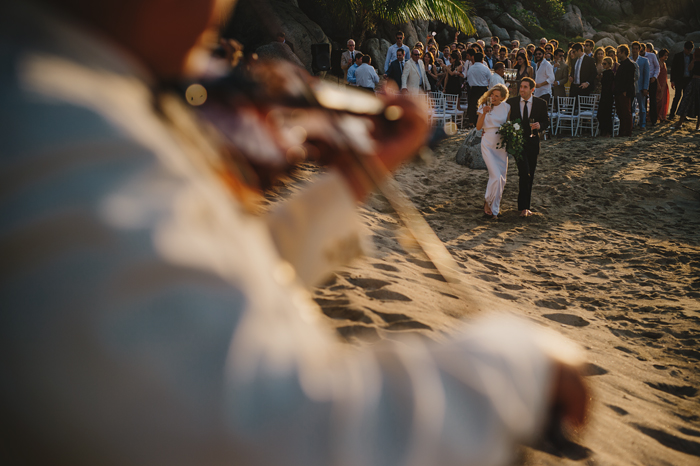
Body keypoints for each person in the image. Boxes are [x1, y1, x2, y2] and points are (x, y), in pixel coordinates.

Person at [3, 2, 591, 466]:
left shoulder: (84, 102)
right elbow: (282, 436)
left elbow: (219, 273)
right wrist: (517, 365)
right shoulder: (59, 130)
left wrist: (359, 172)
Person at [507, 78, 549, 218]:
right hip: (518, 144)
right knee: (524, 172)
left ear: (532, 89)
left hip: (533, 143)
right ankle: (523, 207)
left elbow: (546, 121)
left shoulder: (540, 103)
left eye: (525, 87)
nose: (522, 89)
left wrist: (540, 126)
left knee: (530, 174)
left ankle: (526, 206)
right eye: (521, 87)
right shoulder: (511, 103)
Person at [476, 84, 511, 219]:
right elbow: (479, 127)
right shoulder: (483, 106)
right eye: (492, 94)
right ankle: (487, 201)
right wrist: (484, 112)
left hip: (501, 145)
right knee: (495, 175)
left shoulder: (506, 107)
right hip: (488, 143)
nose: (493, 97)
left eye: (497, 96)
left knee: (501, 178)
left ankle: (494, 207)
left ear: (503, 98)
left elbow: (508, 124)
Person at [672, 47, 700, 131]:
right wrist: (693, 60)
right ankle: (679, 123)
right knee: (686, 101)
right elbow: (689, 68)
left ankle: (698, 126)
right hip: (693, 81)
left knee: (697, 103)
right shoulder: (694, 60)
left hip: (697, 82)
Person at [614, 45, 637, 136]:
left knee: (626, 112)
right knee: (620, 112)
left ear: (623, 52)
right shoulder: (622, 64)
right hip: (619, 91)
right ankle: (622, 130)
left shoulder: (630, 64)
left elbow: (630, 80)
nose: (617, 54)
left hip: (624, 93)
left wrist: (625, 91)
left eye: (618, 52)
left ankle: (628, 131)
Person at [669, 41, 694, 120]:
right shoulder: (678, 56)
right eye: (688, 50)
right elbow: (673, 69)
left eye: (690, 50)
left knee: (686, 98)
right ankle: (672, 114)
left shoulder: (692, 57)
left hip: (688, 80)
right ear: (684, 48)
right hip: (679, 79)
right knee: (677, 96)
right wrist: (672, 80)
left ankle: (683, 115)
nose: (689, 51)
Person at [467, 52, 492, 125]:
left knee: (472, 105)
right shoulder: (485, 68)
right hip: (483, 89)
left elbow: (468, 79)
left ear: (474, 59)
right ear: (482, 60)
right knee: (482, 105)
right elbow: (490, 79)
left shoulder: (470, 68)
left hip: (473, 88)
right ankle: (482, 121)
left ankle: (472, 121)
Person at [630, 42, 650, 129]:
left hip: (641, 87)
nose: (634, 50)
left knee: (642, 107)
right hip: (631, 87)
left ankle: (642, 124)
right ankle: (632, 124)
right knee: (631, 107)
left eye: (636, 49)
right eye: (633, 48)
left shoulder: (644, 60)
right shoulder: (629, 59)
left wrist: (646, 87)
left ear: (639, 49)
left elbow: (647, 75)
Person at [598, 57, 615, 136]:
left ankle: (607, 131)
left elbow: (609, 85)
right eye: (603, 63)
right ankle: (602, 130)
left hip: (608, 95)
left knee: (607, 114)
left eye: (605, 64)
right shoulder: (604, 73)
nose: (603, 65)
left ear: (609, 64)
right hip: (604, 94)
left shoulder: (610, 73)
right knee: (601, 113)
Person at [644, 43, 660, 125]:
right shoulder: (638, 57)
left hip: (652, 79)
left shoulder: (652, 56)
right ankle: (644, 119)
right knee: (643, 100)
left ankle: (653, 119)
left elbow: (657, 67)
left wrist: (654, 77)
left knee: (653, 100)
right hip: (643, 80)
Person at [656, 49, 671, 123]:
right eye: (665, 55)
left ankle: (663, 116)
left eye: (667, 55)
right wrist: (658, 85)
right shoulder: (658, 64)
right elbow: (657, 76)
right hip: (659, 84)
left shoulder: (664, 64)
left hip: (664, 84)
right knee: (659, 100)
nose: (666, 57)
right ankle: (658, 115)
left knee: (664, 100)